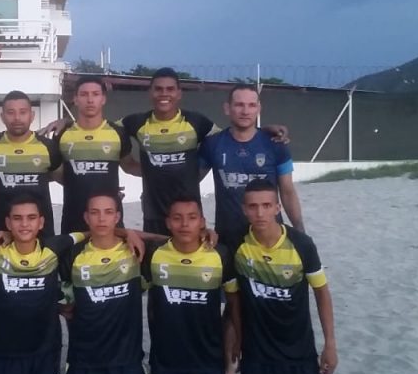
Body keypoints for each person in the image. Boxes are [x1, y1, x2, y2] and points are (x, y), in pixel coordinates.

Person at [225, 179, 337, 374]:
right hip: (258, 356)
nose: (260, 213)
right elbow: (234, 299)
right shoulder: (236, 245)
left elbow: (322, 293)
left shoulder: (301, 244)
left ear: (277, 207)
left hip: (299, 354)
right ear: (244, 209)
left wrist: (330, 344)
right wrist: (239, 339)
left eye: (266, 205)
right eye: (253, 206)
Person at [0, 193, 86, 374]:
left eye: (31, 218)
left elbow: (89, 233)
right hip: (4, 353)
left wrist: (128, 233)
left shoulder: (54, 247)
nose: (24, 224)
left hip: (44, 352)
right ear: (7, 223)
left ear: (41, 222)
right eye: (17, 219)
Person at [60, 190, 154, 374]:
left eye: (108, 212)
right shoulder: (72, 255)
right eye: (95, 212)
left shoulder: (137, 251)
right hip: (85, 358)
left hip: (126, 357)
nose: (101, 219)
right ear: (86, 217)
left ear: (117, 217)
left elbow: (176, 239)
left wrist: (130, 232)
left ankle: (135, 373)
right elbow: (66, 305)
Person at [140, 194, 234, 374]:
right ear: (168, 222)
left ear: (202, 222)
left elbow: (235, 305)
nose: (184, 224)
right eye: (177, 218)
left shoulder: (220, 254)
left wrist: (234, 349)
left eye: (191, 218)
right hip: (167, 359)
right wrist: (129, 233)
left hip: (208, 358)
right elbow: (114, 231)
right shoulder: (153, 254)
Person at [200, 83, 304, 252]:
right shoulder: (213, 144)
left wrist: (300, 231)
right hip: (228, 236)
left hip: (270, 236)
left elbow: (287, 191)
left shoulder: (276, 144)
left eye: (251, 105)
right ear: (227, 108)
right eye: (239, 105)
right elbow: (190, 182)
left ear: (258, 109)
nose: (245, 111)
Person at [116, 68, 219, 235]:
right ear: (150, 92)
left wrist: (263, 132)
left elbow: (231, 138)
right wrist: (69, 124)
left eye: (170, 89)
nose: (164, 94)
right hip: (154, 215)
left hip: (189, 217)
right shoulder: (137, 122)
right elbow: (104, 130)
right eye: (158, 89)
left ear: (179, 93)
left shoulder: (196, 122)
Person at [52, 75, 136, 234]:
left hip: (109, 220)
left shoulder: (118, 133)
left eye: (95, 94)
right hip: (73, 218)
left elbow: (129, 165)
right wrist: (82, 184)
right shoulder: (62, 134)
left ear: (103, 99)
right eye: (84, 95)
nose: (90, 100)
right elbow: (56, 172)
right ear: (75, 99)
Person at [0, 90, 62, 239]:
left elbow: (65, 179)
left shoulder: (48, 147)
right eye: (10, 112)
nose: (17, 118)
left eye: (23, 112)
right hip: (2, 233)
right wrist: (0, 195)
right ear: (2, 117)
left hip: (43, 235)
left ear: (32, 115)